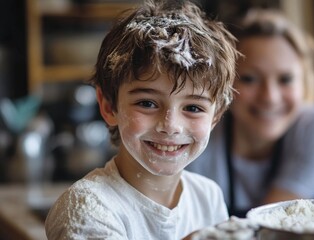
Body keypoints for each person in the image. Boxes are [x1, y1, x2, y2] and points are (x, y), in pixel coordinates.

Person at [45, 0, 239, 239]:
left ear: (216, 116)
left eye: (192, 107)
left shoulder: (207, 196)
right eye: (147, 103)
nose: (170, 125)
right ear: (109, 106)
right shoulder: (87, 209)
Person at [187, 8, 314, 218]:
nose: (270, 97)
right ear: (223, 83)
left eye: (285, 79)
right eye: (250, 78)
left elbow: (274, 224)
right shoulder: (197, 132)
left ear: (304, 83)